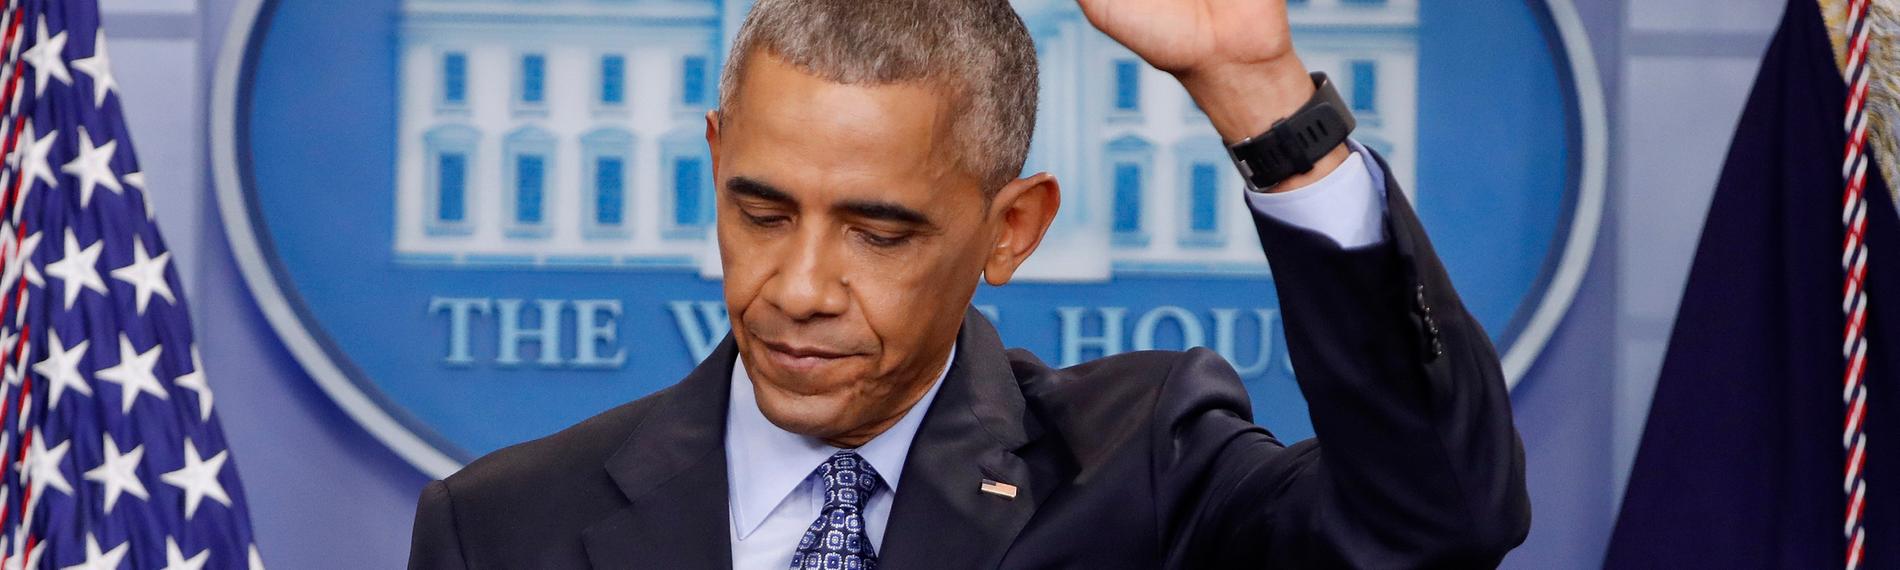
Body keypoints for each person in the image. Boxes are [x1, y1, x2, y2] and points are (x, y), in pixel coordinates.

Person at [407, 0, 1531, 567]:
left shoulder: (1140, 478)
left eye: (877, 233)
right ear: (712, 160)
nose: (797, 286)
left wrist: (1261, 96)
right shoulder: (504, 528)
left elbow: (1434, 523)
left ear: (1011, 230)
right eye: (760, 212)